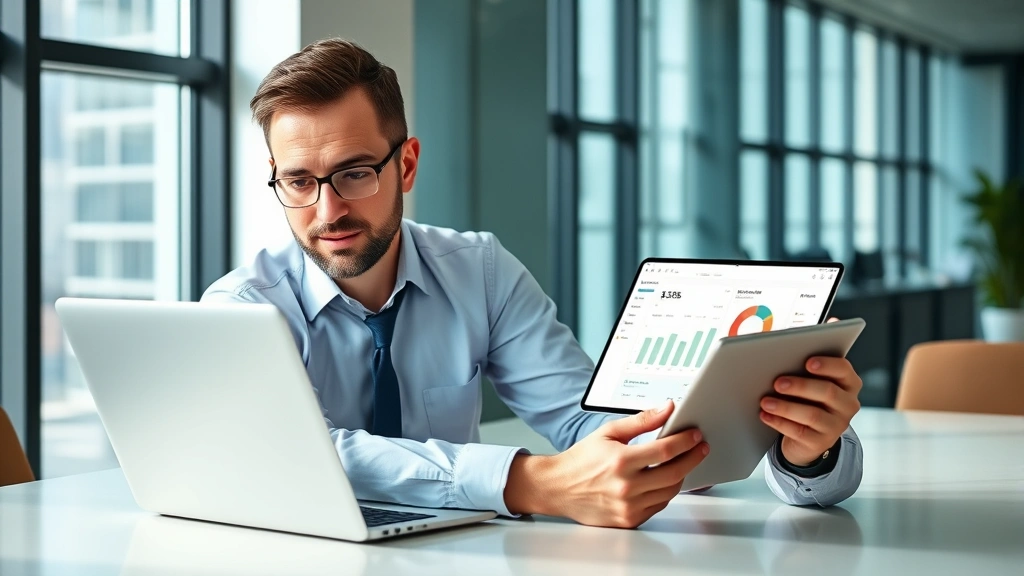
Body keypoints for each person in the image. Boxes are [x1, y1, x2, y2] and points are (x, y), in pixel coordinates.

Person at [203, 38, 864, 529]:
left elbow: (587, 421)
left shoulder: (477, 270)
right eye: (298, 181)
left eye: (354, 173)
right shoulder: (240, 310)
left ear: (406, 164)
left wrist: (801, 449)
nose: (327, 211)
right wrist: (527, 483)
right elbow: (301, 458)